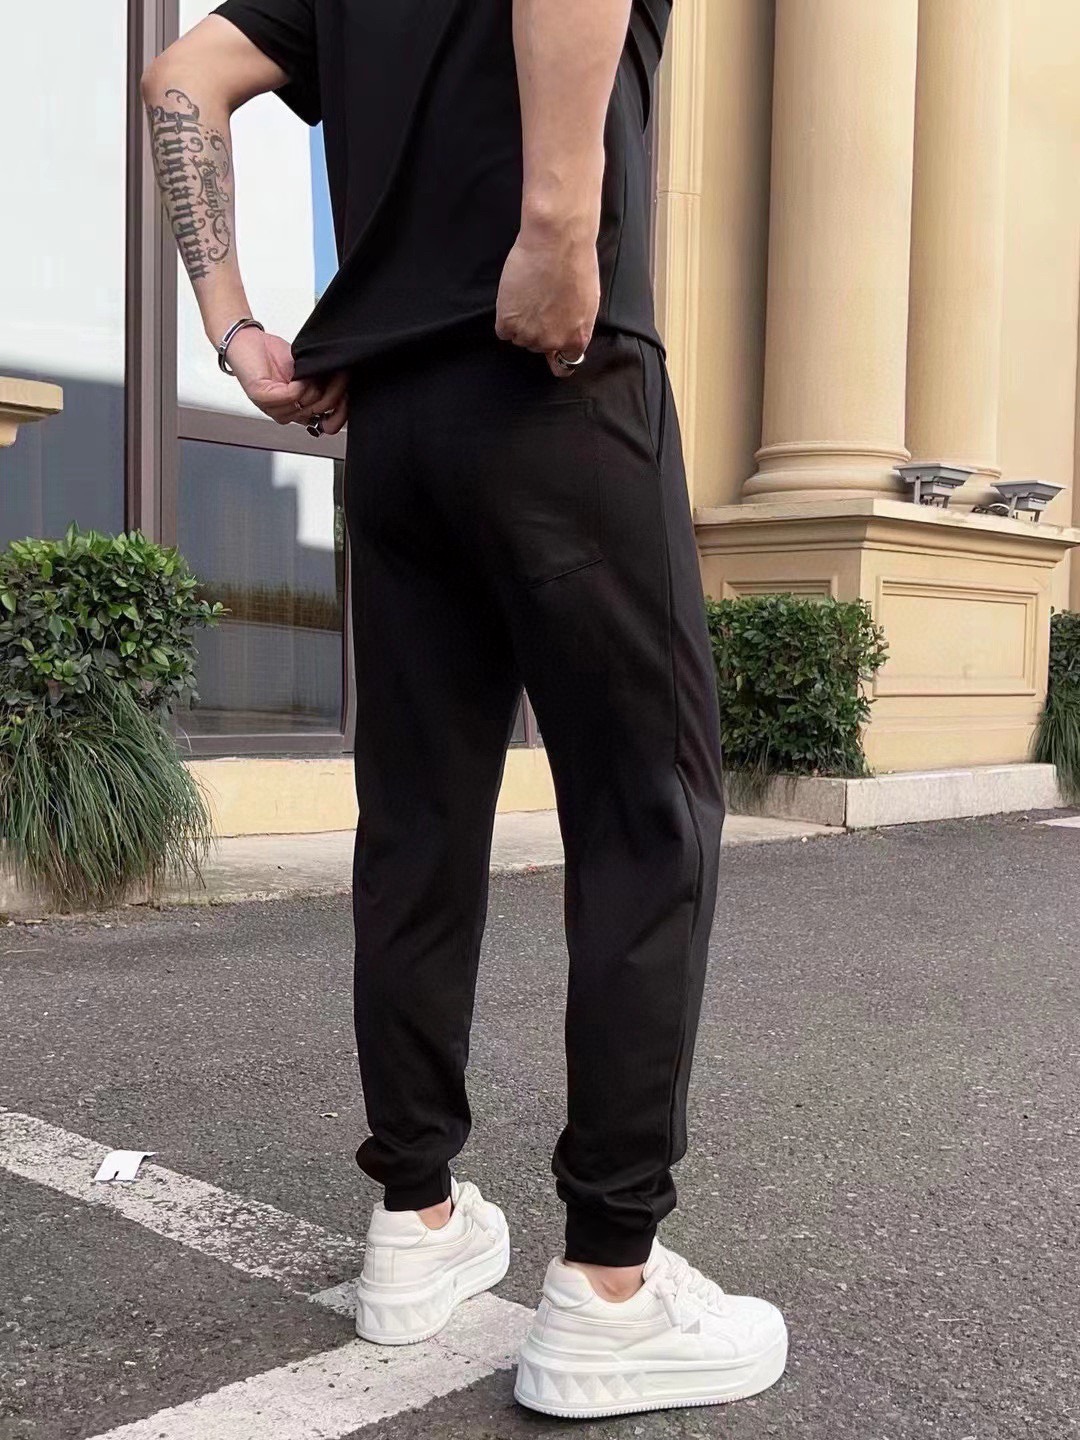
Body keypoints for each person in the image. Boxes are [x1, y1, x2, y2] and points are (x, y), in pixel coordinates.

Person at [143, 0, 787, 1419]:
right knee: (647, 814)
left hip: (396, 426)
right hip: (555, 370)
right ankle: (610, 1285)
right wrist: (558, 226)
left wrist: (236, 327)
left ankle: (416, 1217)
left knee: (418, 828)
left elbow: (183, 74)